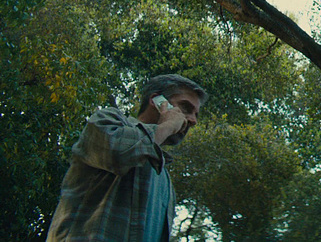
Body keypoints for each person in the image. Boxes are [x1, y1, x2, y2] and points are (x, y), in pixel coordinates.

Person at [46, 74, 208, 242]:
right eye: (185, 108)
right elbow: (119, 152)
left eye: (196, 114)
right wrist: (166, 126)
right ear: (157, 100)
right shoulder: (107, 122)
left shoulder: (165, 180)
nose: (193, 120)